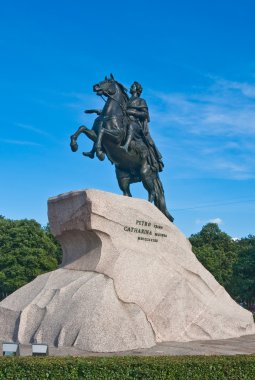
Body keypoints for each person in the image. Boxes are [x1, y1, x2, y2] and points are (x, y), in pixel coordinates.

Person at [123, 81, 164, 172]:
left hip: (135, 124)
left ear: (137, 89)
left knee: (131, 126)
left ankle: (126, 146)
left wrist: (132, 112)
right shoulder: (126, 100)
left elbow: (145, 114)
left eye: (133, 86)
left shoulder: (141, 101)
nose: (131, 87)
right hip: (124, 121)